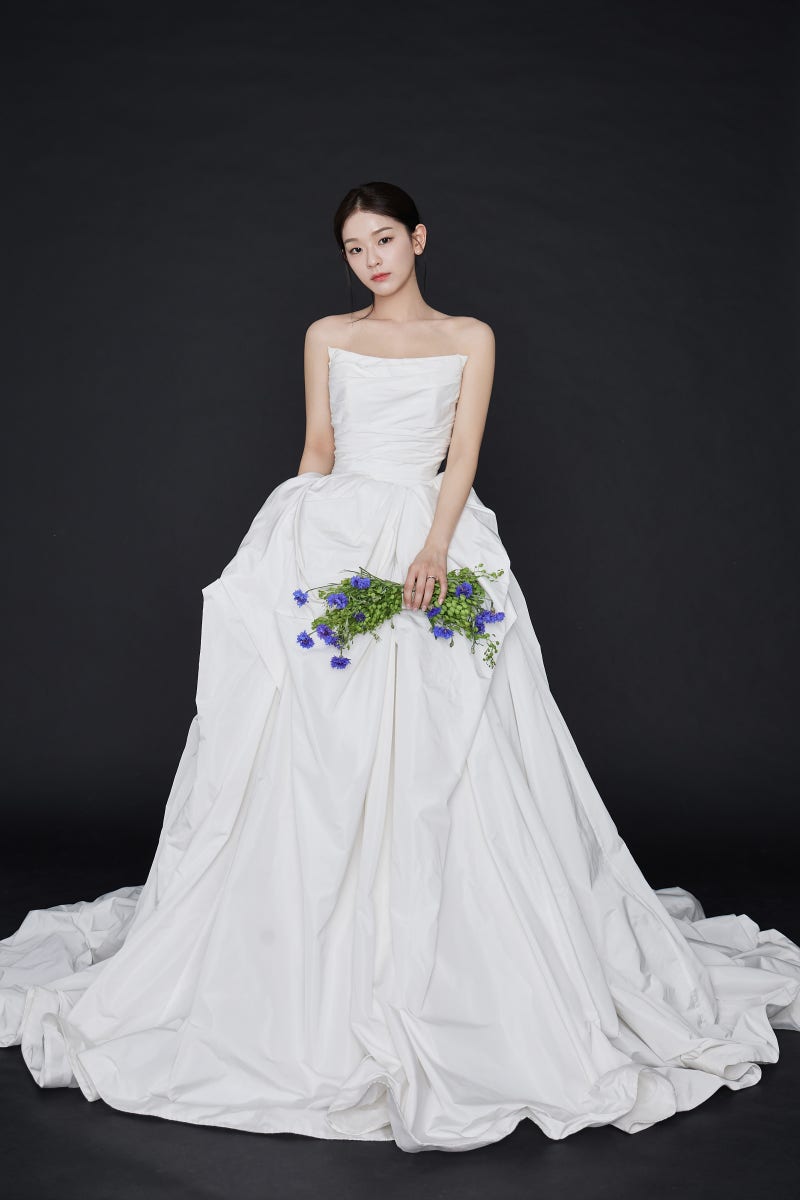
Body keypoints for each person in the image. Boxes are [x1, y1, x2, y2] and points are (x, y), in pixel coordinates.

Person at [1, 181, 799, 1154]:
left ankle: (461, 962)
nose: (371, 259)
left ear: (418, 238)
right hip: (335, 531)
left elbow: (461, 456)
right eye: (353, 248)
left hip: (432, 534)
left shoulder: (469, 337)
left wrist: (434, 546)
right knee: (310, 748)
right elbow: (318, 449)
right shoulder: (324, 334)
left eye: (383, 239)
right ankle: (303, 961)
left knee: (448, 747)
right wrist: (282, 553)